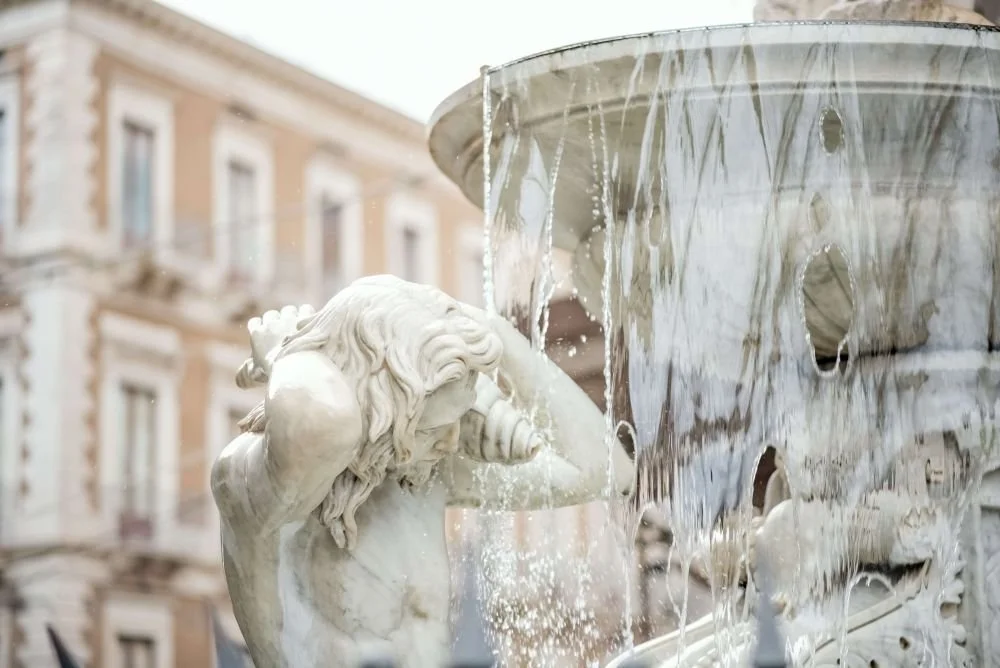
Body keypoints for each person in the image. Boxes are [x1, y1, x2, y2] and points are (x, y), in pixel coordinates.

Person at [211, 275, 634, 668]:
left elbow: (607, 473)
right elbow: (322, 422)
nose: (450, 442)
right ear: (379, 405)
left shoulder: (423, 471)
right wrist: (288, 355)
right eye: (433, 429)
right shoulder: (253, 483)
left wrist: (501, 338)